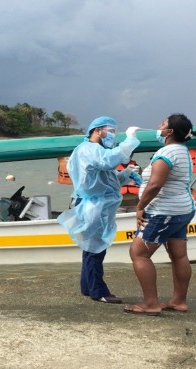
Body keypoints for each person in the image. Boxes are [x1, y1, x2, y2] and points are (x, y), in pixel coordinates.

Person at [57, 117, 140, 303]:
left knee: (91, 248)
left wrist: (126, 174)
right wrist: (130, 139)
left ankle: (87, 287)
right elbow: (108, 162)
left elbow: (106, 181)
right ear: (96, 130)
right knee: (96, 249)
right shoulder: (91, 150)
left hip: (95, 204)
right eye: (109, 131)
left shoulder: (91, 150)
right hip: (94, 206)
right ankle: (99, 292)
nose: (112, 135)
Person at [124, 113, 196, 315]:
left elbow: (155, 184)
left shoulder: (167, 153)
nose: (159, 126)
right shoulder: (182, 151)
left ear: (170, 131)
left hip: (163, 212)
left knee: (139, 253)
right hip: (182, 210)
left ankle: (151, 304)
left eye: (163, 124)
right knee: (179, 255)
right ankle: (178, 301)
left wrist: (140, 207)